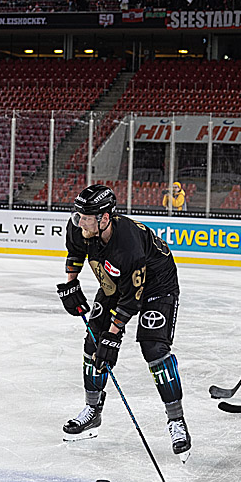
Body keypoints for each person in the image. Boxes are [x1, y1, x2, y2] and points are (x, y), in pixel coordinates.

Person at [56, 184, 190, 457]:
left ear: (105, 218)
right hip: (116, 283)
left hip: (157, 286)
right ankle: (92, 410)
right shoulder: (80, 225)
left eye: (86, 217)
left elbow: (133, 297)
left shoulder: (128, 244)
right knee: (93, 341)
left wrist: (114, 334)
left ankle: (176, 419)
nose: (79, 221)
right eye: (78, 215)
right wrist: (71, 285)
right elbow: (76, 251)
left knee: (154, 348)